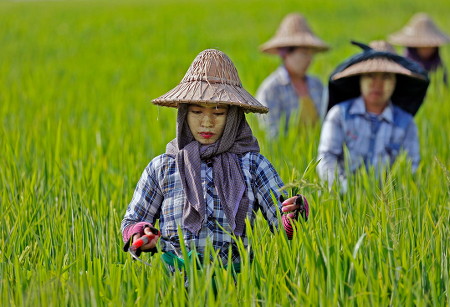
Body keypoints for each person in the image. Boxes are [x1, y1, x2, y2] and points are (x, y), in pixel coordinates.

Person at [121, 49, 309, 272]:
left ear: (233, 116)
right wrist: (142, 234)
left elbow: (283, 223)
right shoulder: (163, 167)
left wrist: (294, 212)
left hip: (237, 285)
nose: (207, 122)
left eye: (218, 113)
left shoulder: (253, 165)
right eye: (197, 112)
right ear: (184, 114)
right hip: (175, 288)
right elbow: (133, 221)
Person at [317, 42, 430, 191]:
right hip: (340, 200)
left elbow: (411, 167)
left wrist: (390, 199)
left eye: (386, 77)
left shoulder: (406, 122)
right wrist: (345, 192)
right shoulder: (339, 115)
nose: (377, 84)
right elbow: (326, 158)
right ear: (360, 79)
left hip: (387, 206)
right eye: (370, 76)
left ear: (396, 81)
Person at [256, 13, 329, 137]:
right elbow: (272, 135)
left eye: (311, 54)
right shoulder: (271, 89)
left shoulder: (317, 85)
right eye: (304, 53)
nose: (309, 59)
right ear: (286, 54)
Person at [388, 13, 450, 85]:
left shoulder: (439, 68)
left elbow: (444, 90)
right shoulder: (404, 67)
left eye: (430, 47)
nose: (426, 50)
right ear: (414, 47)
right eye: (422, 47)